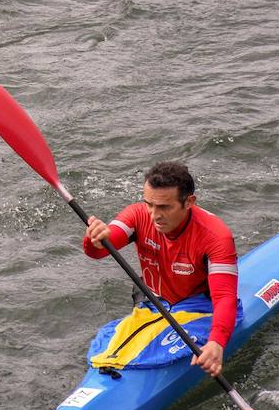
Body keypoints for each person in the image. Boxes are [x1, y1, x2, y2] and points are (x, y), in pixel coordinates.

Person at [83, 161, 239, 377]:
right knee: (109, 350)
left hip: (200, 306)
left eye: (165, 207)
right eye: (149, 204)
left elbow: (224, 297)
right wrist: (95, 239)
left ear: (189, 202)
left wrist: (217, 343)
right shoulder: (137, 215)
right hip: (153, 301)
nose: (154, 215)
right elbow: (99, 251)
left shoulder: (216, 237)